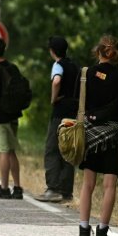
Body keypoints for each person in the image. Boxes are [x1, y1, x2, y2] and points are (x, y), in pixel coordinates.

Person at [77, 35, 118, 236]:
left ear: (97, 52)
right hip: (115, 135)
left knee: (88, 183)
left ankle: (83, 232)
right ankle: (102, 234)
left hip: (91, 134)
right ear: (116, 53)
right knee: (110, 184)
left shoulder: (86, 73)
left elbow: (79, 101)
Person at [35, 36, 79, 203]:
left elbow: (57, 81)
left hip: (60, 112)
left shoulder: (57, 65)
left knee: (52, 149)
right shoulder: (75, 66)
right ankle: (66, 192)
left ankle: (53, 189)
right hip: (74, 112)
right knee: (68, 151)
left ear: (52, 51)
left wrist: (53, 98)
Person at [0, 36, 24, 199]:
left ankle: (4, 187)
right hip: (13, 115)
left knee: (3, 151)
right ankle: (18, 187)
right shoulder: (13, 68)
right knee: (11, 150)